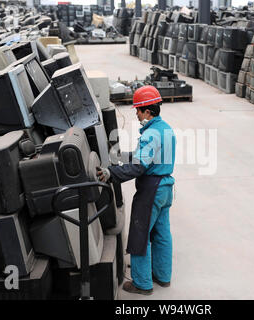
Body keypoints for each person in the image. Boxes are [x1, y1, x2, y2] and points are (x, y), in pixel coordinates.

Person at [96, 85, 176, 295]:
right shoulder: (165, 128)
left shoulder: (150, 135)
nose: (137, 114)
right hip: (166, 187)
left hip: (152, 190)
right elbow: (148, 156)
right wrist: (123, 156)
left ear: (147, 111)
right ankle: (162, 276)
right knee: (161, 234)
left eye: (138, 110)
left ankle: (142, 283)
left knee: (140, 235)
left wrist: (111, 173)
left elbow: (140, 167)